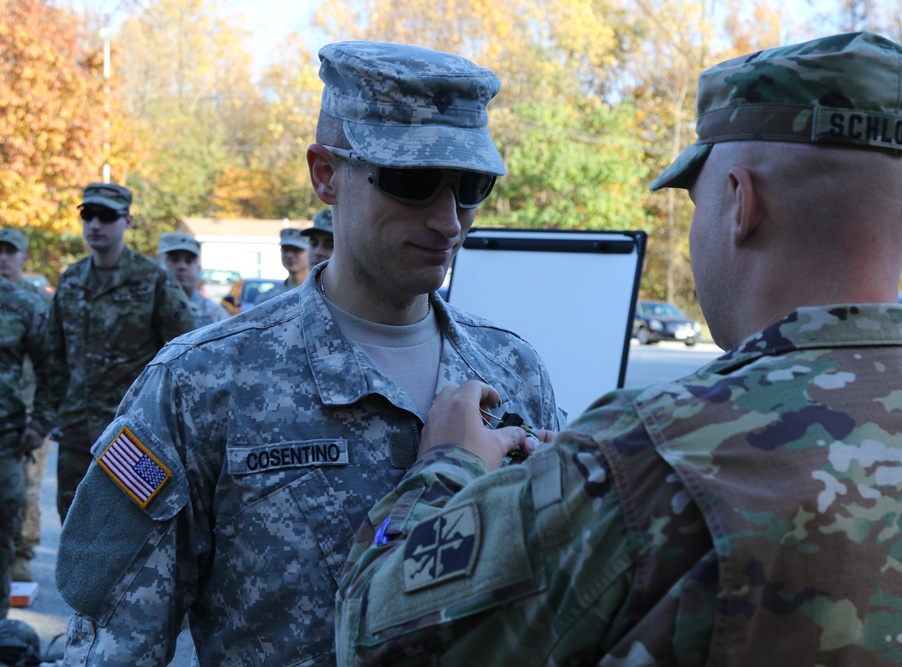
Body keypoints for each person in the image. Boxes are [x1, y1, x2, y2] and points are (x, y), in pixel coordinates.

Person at [335, 32, 902, 665]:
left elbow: (374, 634)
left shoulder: (650, 458)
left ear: (741, 203)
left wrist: (447, 465)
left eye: (697, 197)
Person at [55, 41, 564, 666]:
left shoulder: (513, 369)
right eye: (413, 181)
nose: (448, 221)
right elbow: (112, 646)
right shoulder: (203, 381)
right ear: (325, 174)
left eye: (471, 187)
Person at [46, 183, 194, 522]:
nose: (95, 224)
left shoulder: (155, 280)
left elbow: (182, 357)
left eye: (106, 216)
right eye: (88, 215)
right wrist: (58, 407)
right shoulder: (70, 281)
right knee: (72, 522)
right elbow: (54, 354)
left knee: (134, 527)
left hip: (134, 434)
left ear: (127, 221)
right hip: (77, 432)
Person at [0, 228, 53, 583]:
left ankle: (22, 552)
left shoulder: (35, 302)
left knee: (28, 489)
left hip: (25, 415)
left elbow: (52, 365)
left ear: (23, 257)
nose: (3, 258)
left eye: (10, 251)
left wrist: (41, 418)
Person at [158, 232, 229, 328]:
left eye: (189, 261)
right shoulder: (143, 308)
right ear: (158, 264)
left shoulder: (216, 316)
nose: (182, 266)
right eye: (174, 259)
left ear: (199, 269)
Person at [255, 227, 309, 304]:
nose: (289, 255)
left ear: (310, 251)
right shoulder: (267, 299)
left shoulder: (322, 294)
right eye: (285, 249)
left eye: (296, 249)